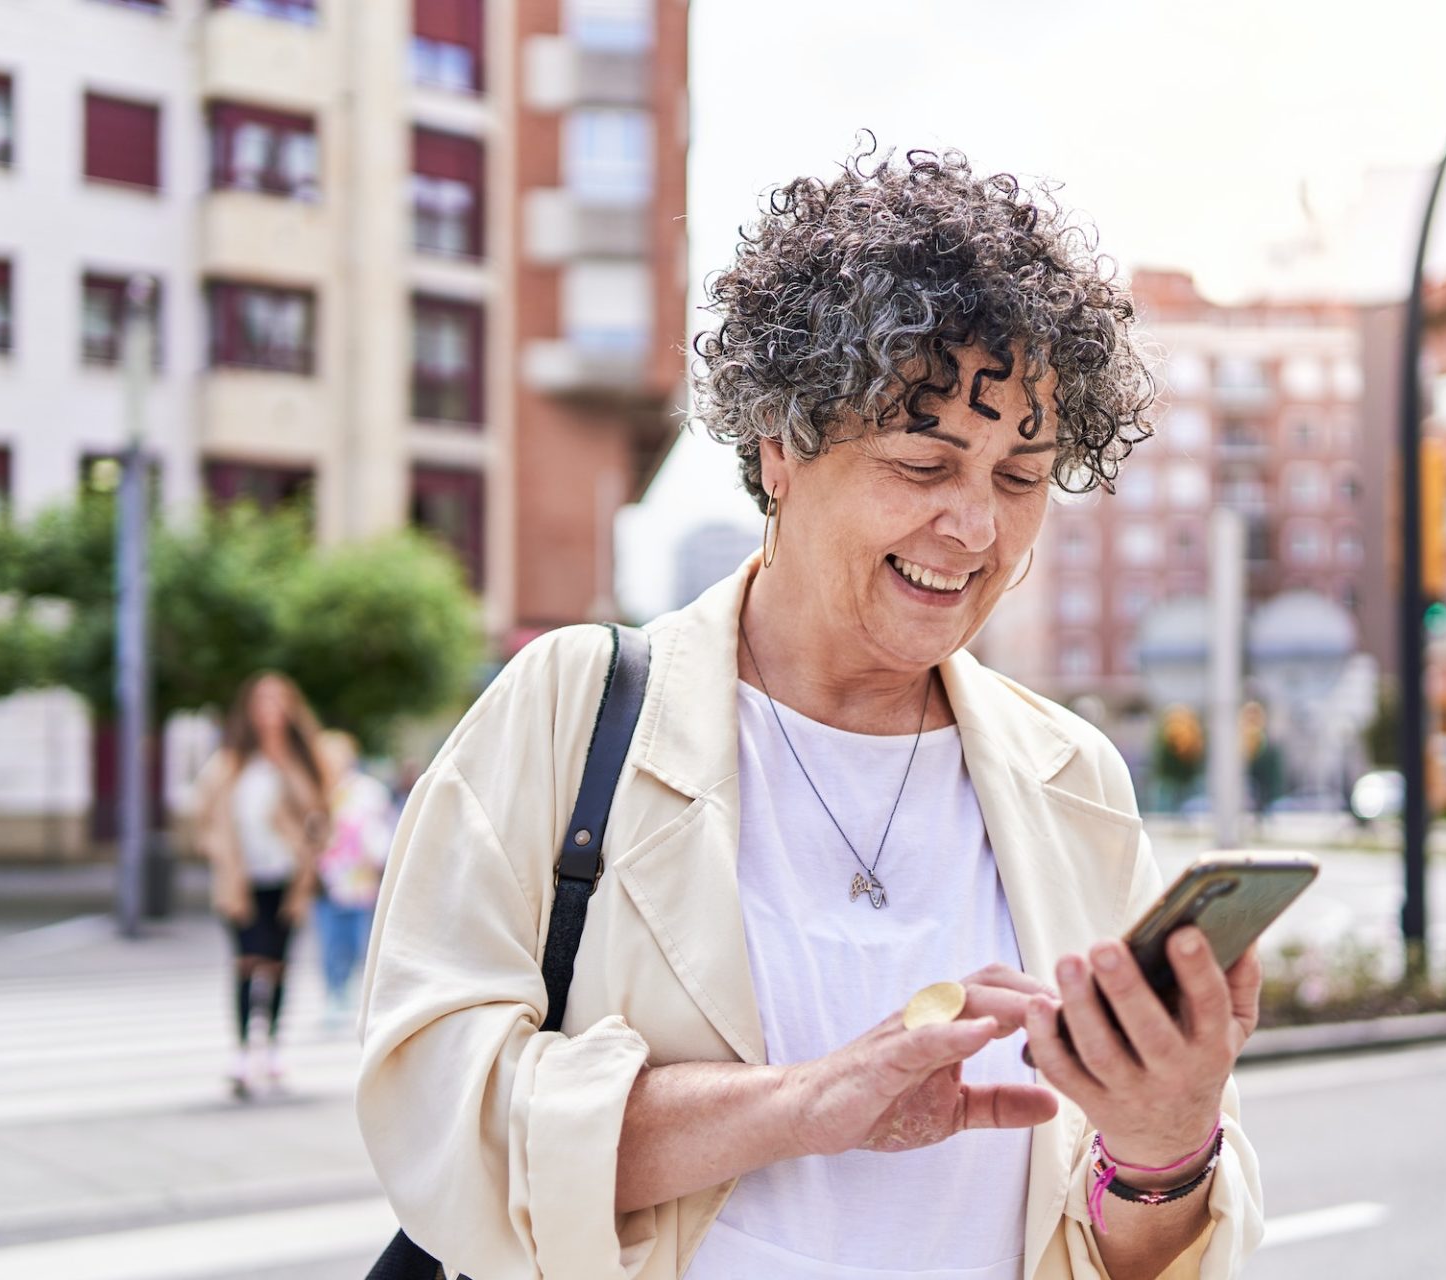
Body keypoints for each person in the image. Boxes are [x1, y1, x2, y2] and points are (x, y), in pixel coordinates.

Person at [358, 144, 1264, 1279]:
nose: (976, 528)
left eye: (1019, 477)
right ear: (782, 444)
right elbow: (433, 1114)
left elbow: (1136, 1247)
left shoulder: (1072, 776)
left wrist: (1165, 1145)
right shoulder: (575, 703)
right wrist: (808, 1101)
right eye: (925, 462)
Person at [192, 671, 331, 1098]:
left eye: (277, 701)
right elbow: (203, 820)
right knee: (246, 961)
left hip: (286, 879)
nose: (269, 710)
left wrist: (305, 848)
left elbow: (321, 815)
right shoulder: (229, 762)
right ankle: (241, 1053)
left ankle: (270, 1048)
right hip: (241, 880)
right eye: (261, 702)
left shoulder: (300, 760)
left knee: (277, 962)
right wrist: (220, 853)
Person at [313, 730, 395, 1026]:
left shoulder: (366, 790)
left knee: (356, 939)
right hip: (323, 881)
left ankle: (349, 990)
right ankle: (334, 991)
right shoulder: (314, 790)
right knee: (329, 939)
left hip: (360, 879)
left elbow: (382, 828)